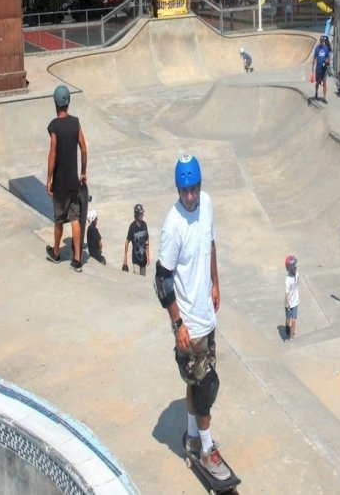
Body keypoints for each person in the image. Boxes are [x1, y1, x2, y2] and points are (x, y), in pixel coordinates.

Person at [155, 155, 231, 481]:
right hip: (189, 324)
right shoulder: (173, 225)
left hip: (206, 316)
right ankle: (207, 449)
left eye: (194, 189)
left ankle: (191, 437)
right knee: (207, 386)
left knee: (195, 383)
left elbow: (209, 243)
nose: (190, 196)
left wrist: (215, 282)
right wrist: (178, 324)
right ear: (178, 190)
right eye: (185, 191)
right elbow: (161, 280)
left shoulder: (207, 204)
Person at [46, 85, 88, 271]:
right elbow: (84, 149)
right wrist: (83, 172)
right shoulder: (76, 123)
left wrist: (49, 179)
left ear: (56, 103)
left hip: (60, 184)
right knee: (75, 219)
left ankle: (56, 253)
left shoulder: (54, 126)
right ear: (68, 102)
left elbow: (52, 154)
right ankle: (77, 259)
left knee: (59, 220)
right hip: (73, 182)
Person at [122, 204, 150, 275]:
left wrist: (148, 255)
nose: (142, 215)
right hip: (136, 260)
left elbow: (147, 241)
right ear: (136, 214)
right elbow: (127, 242)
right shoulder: (132, 227)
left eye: (142, 213)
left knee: (142, 279)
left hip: (144, 260)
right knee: (137, 278)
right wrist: (125, 257)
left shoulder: (144, 225)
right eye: (141, 213)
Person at [284, 255, 299, 341]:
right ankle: (287, 327)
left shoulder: (297, 275)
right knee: (288, 320)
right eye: (294, 266)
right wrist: (289, 303)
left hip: (295, 302)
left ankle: (292, 336)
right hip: (288, 303)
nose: (296, 268)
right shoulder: (287, 279)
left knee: (294, 320)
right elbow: (286, 294)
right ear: (290, 268)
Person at [311, 35, 330, 102]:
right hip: (318, 69)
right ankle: (316, 92)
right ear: (320, 41)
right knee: (317, 82)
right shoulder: (317, 48)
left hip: (324, 69)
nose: (322, 42)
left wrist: (326, 62)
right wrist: (313, 67)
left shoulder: (326, 49)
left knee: (324, 82)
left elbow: (328, 58)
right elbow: (314, 58)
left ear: (324, 41)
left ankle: (324, 97)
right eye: (321, 40)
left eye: (322, 40)